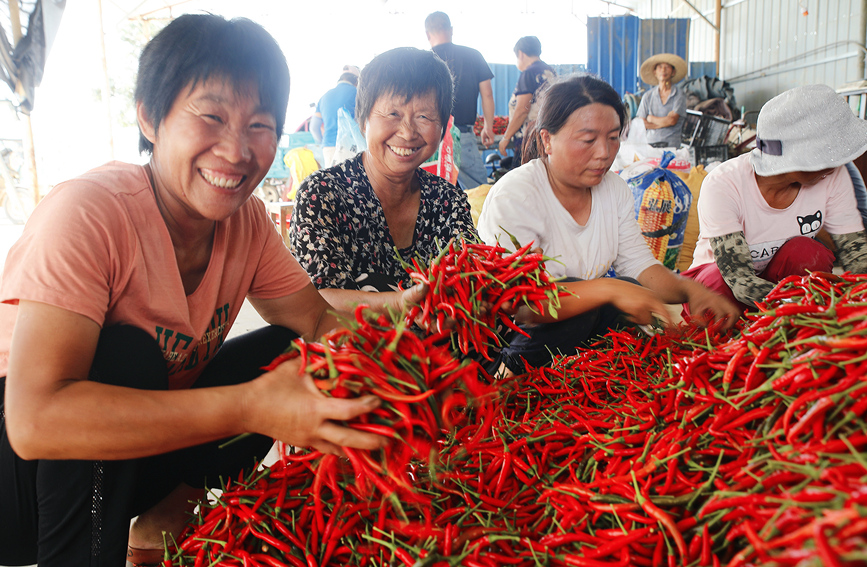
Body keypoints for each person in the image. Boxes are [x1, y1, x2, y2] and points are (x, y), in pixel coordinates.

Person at [0, 15, 387, 567]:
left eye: (260, 125)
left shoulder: (247, 223)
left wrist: (417, 367)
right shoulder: (89, 213)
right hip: (22, 479)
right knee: (126, 357)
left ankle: (162, 520)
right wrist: (251, 408)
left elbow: (319, 324)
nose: (236, 150)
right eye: (211, 116)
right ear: (150, 117)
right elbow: (37, 421)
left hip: (123, 463)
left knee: (284, 349)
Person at [477, 74, 740, 371]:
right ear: (546, 139)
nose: (604, 153)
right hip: (516, 338)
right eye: (588, 140)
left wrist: (691, 290)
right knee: (609, 295)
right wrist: (611, 289)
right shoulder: (516, 195)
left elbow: (639, 265)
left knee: (625, 297)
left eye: (613, 137)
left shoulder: (613, 189)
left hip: (575, 334)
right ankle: (504, 378)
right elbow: (524, 305)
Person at [289, 47, 476, 311]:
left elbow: (472, 282)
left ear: (443, 126)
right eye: (392, 114)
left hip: (440, 349)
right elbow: (316, 300)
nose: (408, 132)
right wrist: (400, 304)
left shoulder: (448, 199)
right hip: (350, 350)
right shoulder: (322, 194)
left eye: (424, 116)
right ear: (363, 118)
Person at [683, 83, 867, 313]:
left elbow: (856, 253)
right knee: (716, 280)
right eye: (827, 156)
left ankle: (780, 327)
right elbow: (739, 280)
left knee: (809, 254)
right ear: (798, 158)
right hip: (721, 284)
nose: (836, 164)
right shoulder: (724, 183)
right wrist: (807, 307)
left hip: (775, 280)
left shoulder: (832, 175)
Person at [425, 11, 496, 190]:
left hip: (430, 137)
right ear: (451, 30)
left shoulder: (424, 61)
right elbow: (487, 94)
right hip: (462, 134)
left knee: (435, 194)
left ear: (427, 34)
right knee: (479, 192)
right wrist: (488, 126)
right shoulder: (473, 55)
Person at [498, 36, 556, 164]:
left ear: (521, 54)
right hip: (548, 136)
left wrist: (506, 138)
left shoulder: (529, 74)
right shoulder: (550, 72)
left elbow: (522, 110)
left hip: (530, 139)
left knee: (522, 178)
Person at [310, 65, 360, 167]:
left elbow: (314, 128)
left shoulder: (324, 97)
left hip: (329, 147)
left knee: (332, 181)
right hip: (351, 146)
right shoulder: (357, 93)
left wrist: (324, 142)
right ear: (356, 81)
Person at [636, 53, 688, 148]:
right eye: (660, 67)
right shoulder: (648, 96)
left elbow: (672, 121)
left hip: (672, 145)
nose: (663, 70)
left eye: (667, 67)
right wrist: (663, 122)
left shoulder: (679, 95)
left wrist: (651, 118)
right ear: (655, 72)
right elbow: (641, 123)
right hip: (650, 144)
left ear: (673, 72)